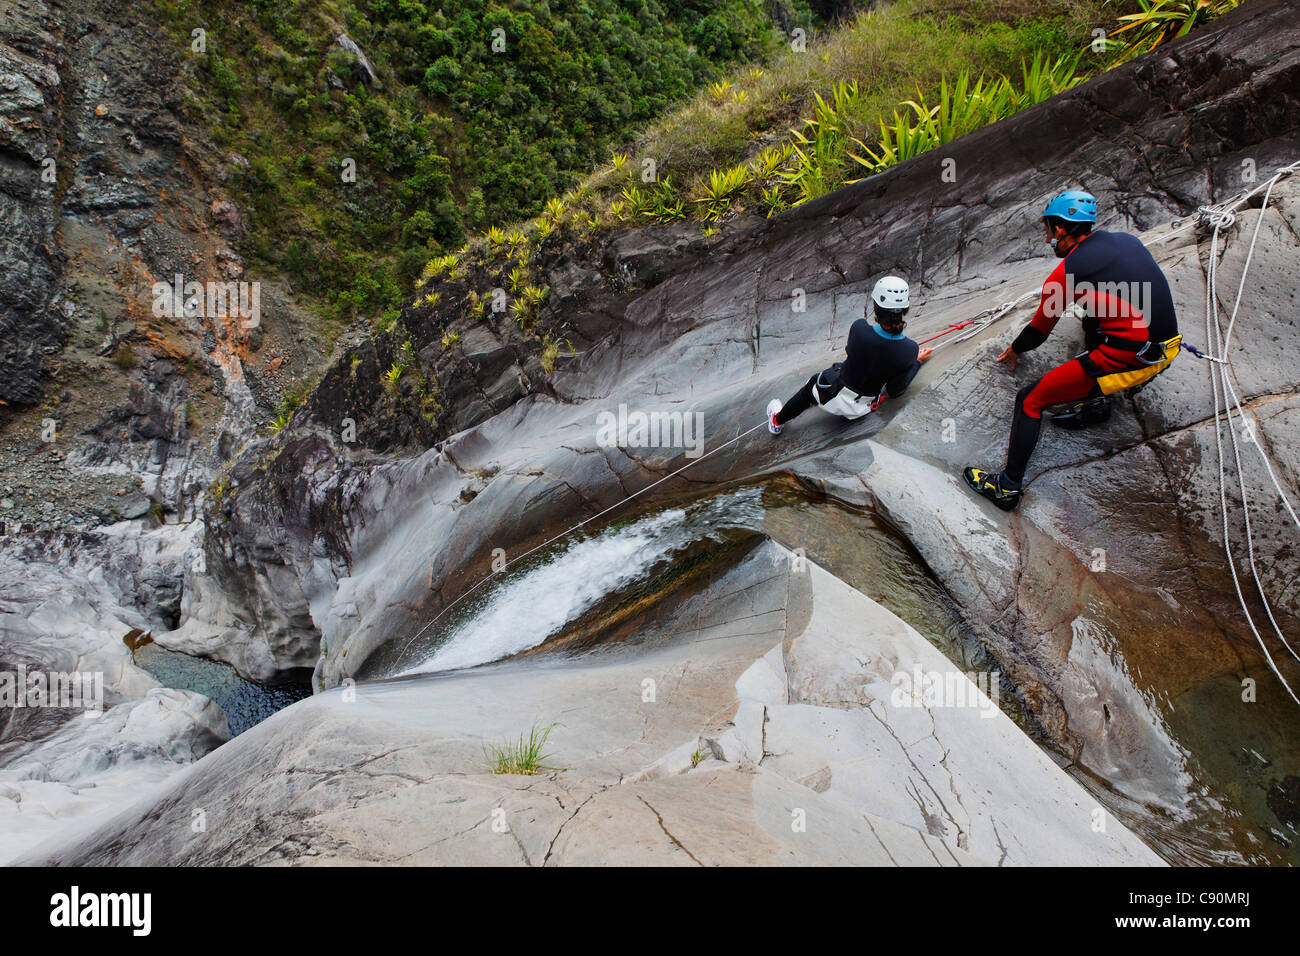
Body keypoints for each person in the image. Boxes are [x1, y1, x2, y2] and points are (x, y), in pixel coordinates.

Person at [963, 189, 1181, 511]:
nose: (1047, 235)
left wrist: (1014, 349)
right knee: (1090, 319)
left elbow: (1039, 331)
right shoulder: (1127, 241)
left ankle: (1007, 487)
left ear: (1061, 229)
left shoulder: (1066, 273)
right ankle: (1096, 405)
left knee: (1030, 399)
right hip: (1168, 349)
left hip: (1133, 359)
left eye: (1048, 228)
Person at [767, 276, 932, 434]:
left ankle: (777, 421)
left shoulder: (859, 328)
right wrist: (915, 362)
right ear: (905, 309)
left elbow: (853, 352)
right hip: (861, 409)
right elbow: (895, 390)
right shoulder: (910, 350)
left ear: (876, 307)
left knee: (810, 386)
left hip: (830, 395)